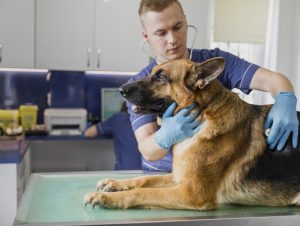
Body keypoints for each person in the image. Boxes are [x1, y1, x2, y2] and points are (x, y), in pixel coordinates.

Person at [125, 0, 299, 172]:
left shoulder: (211, 63)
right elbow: (148, 150)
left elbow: (274, 80)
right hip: (163, 173)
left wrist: (285, 99)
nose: (172, 39)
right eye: (161, 33)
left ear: (186, 22)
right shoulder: (139, 85)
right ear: (147, 36)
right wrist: (164, 137)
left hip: (210, 171)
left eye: (177, 27)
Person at [84, 101, 142, 170]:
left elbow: (88, 133)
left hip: (125, 172)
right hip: (147, 172)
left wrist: (89, 124)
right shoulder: (147, 120)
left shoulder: (118, 118)